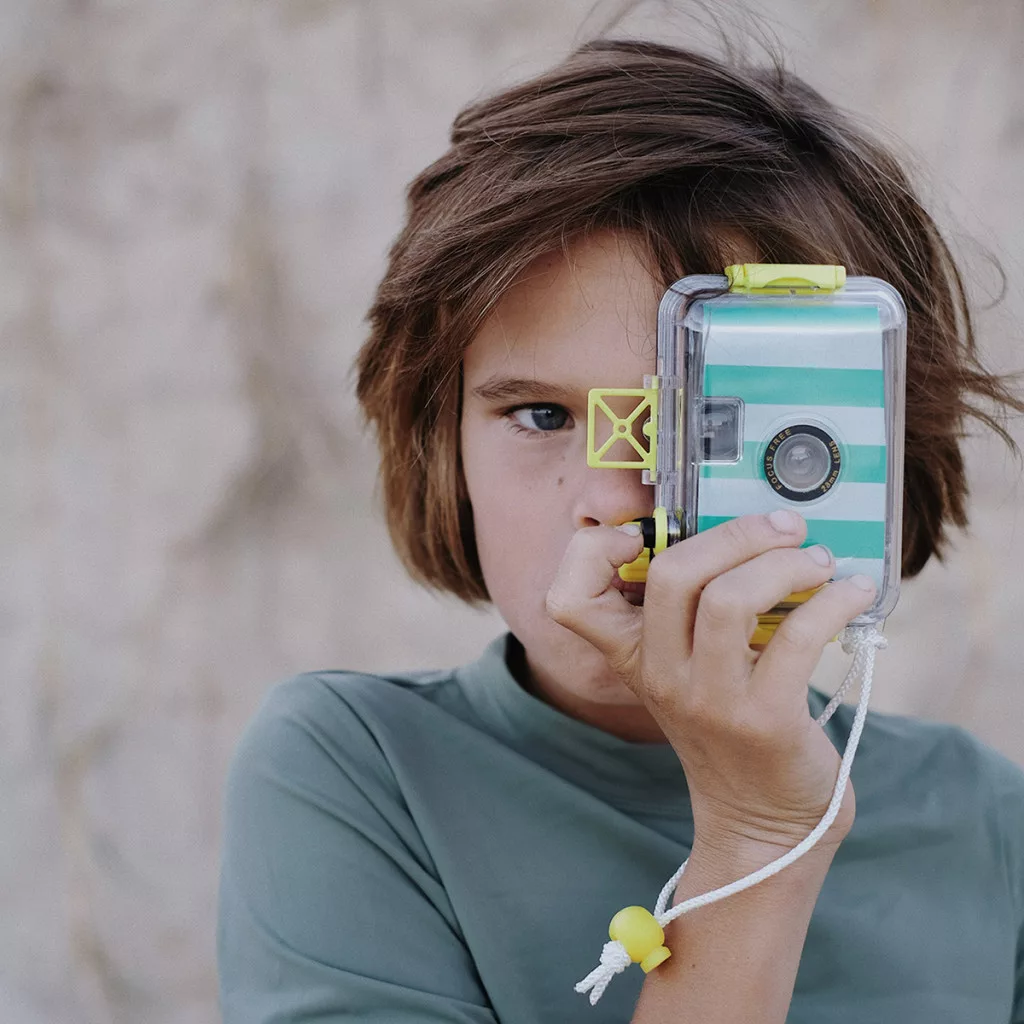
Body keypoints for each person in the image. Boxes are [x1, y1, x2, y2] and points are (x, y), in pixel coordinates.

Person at [216, 35, 1024, 1024]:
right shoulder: (357, 771)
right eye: (541, 415)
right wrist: (756, 840)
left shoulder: (989, 821)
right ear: (441, 441)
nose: (614, 496)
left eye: (696, 428)